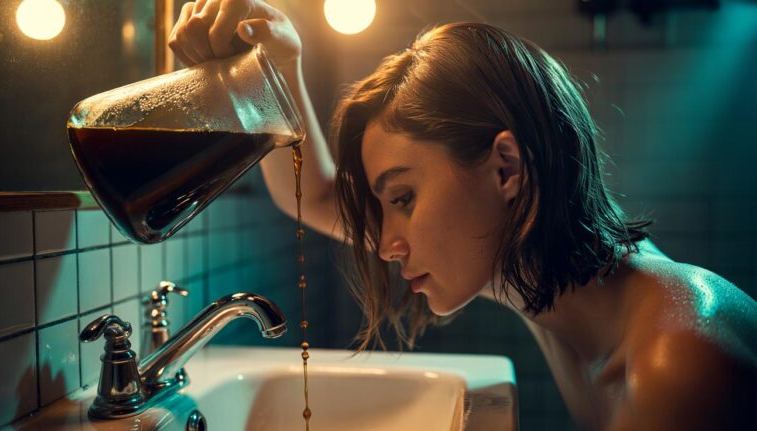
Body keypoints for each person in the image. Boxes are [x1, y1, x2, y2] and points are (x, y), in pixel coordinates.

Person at [168, 1, 757, 429]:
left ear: (505, 168)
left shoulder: (677, 364)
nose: (386, 244)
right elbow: (318, 196)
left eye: (402, 199)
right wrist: (276, 65)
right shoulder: (548, 269)